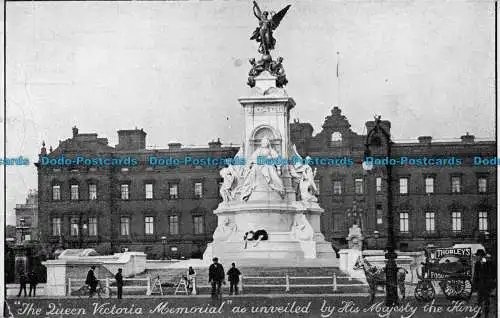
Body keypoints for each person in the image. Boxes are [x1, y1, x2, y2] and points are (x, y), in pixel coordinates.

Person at [473, 249, 496, 317]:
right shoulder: (477, 263)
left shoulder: (489, 263)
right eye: (478, 256)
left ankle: (486, 315)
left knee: (486, 301)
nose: (478, 257)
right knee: (479, 301)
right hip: (480, 285)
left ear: (482, 256)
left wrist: (491, 283)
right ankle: (478, 314)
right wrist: (475, 286)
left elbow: (494, 274)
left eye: (479, 256)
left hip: (487, 285)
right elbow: (475, 275)